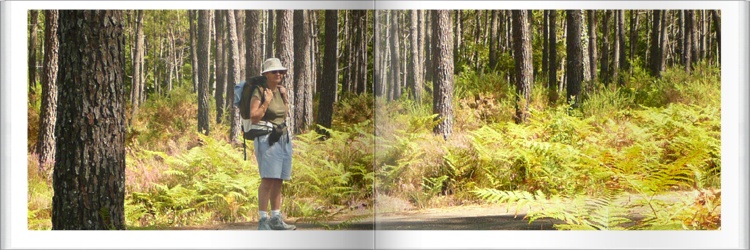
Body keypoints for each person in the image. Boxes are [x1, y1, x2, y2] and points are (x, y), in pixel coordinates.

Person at [245, 58, 295, 230]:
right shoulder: (260, 91)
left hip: (282, 137)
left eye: (281, 71)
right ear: (266, 74)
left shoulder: (280, 91)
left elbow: (282, 115)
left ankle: (276, 218)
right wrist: (266, 101)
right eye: (275, 71)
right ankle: (262, 221)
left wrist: (286, 99)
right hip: (267, 138)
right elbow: (254, 117)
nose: (279, 74)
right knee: (267, 179)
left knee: (279, 179)